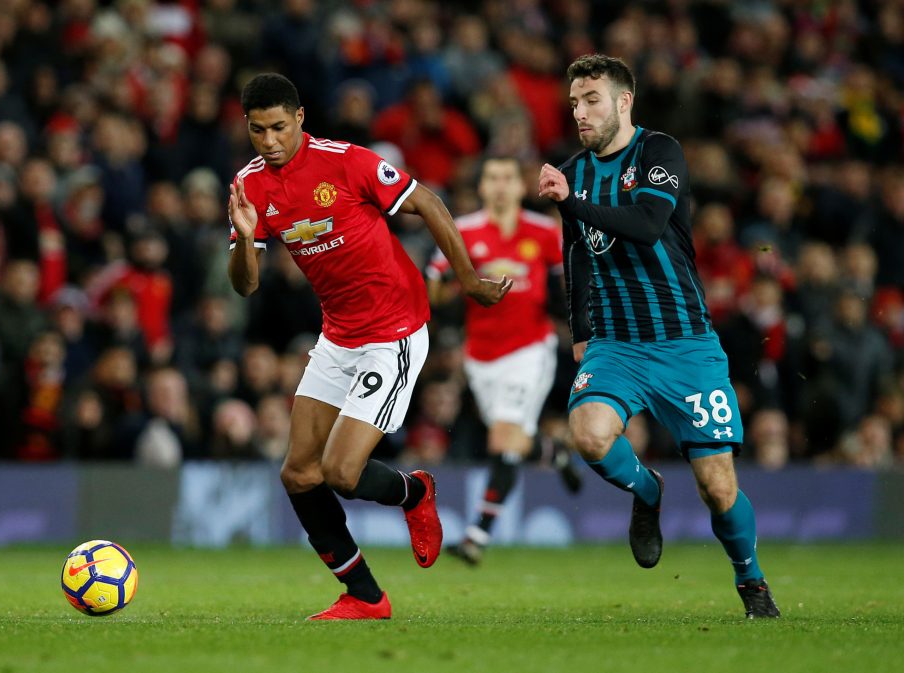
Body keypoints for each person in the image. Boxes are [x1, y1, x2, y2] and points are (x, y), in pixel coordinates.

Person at [228, 73, 511, 620]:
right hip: (338, 336)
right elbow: (246, 284)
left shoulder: (346, 161)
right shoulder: (249, 186)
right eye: (258, 131)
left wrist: (469, 280)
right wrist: (244, 237)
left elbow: (425, 201)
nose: (269, 141)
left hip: (394, 333)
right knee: (298, 473)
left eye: (279, 127)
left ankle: (414, 493)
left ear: (300, 118)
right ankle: (365, 596)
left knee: (340, 471)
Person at [537, 54, 780, 619]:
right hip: (617, 345)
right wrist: (580, 333)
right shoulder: (574, 171)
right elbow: (575, 253)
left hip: (685, 344)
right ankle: (646, 492)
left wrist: (568, 202)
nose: (580, 111)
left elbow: (648, 227)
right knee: (589, 434)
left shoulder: (659, 152)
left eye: (591, 99)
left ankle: (752, 582)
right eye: (574, 101)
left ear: (624, 102)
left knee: (718, 488)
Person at [426, 155, 582, 566]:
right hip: (480, 355)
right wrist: (439, 288)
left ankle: (477, 535)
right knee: (511, 440)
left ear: (519, 186)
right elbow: (436, 281)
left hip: (531, 349)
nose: (499, 185)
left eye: (507, 178)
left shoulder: (545, 232)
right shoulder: (463, 230)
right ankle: (552, 453)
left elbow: (563, 288)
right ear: (481, 187)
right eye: (491, 177)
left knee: (502, 438)